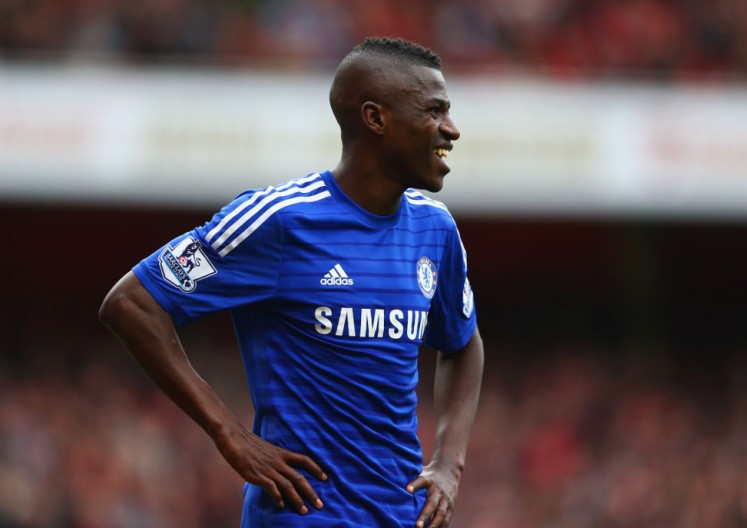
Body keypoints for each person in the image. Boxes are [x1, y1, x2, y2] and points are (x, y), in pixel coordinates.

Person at [99, 36, 484, 528]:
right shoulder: (279, 220)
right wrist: (230, 434)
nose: (451, 129)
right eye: (434, 111)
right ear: (376, 118)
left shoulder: (435, 229)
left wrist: (449, 464)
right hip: (302, 513)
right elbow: (131, 303)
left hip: (401, 513)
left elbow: (463, 344)